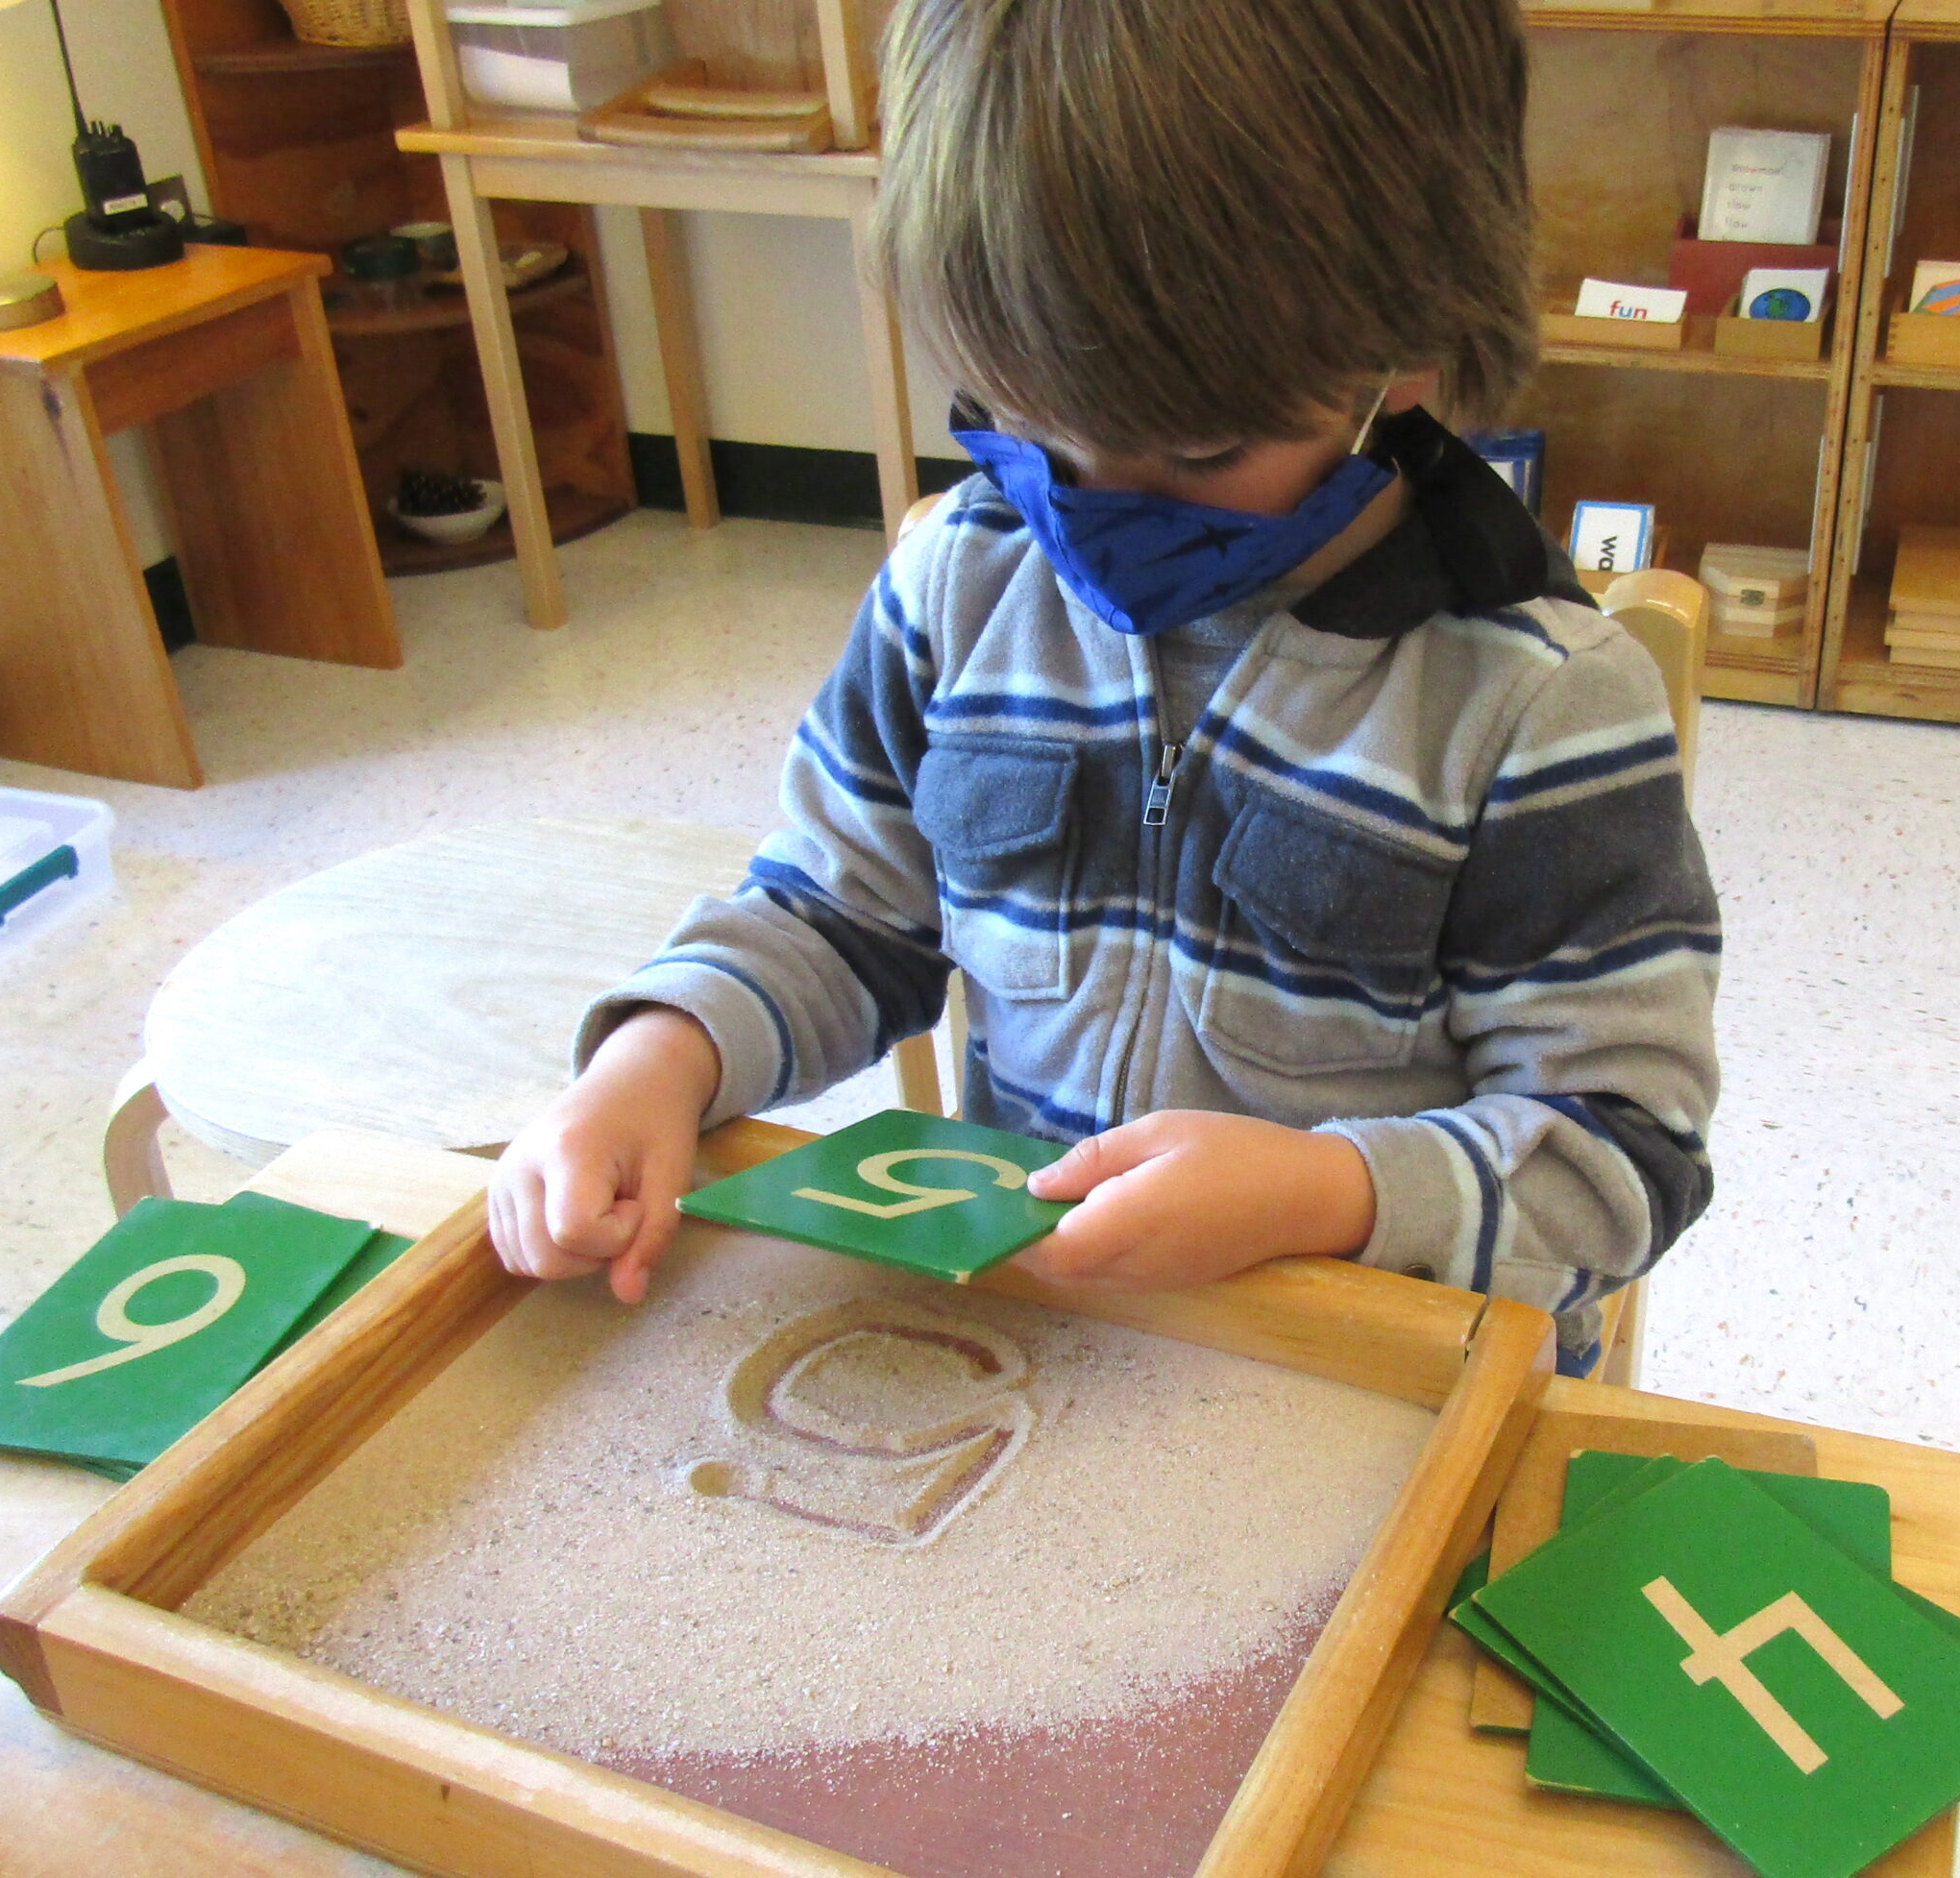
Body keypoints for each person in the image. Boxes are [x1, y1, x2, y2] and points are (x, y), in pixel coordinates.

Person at [487, 0, 1719, 1372]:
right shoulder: (959, 589)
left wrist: (1329, 1194)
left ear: (1413, 352)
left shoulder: (1535, 704)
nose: (1093, 508)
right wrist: (658, 1057)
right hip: (1042, 1347)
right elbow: (834, 917)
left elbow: (1622, 1155)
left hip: (1362, 1383)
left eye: (1196, 452)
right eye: (1037, 431)